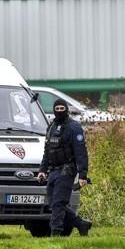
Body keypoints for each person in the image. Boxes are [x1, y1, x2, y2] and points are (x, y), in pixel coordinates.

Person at [37, 98, 92, 237]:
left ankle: (56, 234)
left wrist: (83, 175)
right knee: (53, 203)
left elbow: (81, 152)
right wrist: (42, 170)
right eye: (57, 109)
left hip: (67, 170)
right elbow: (47, 151)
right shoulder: (51, 127)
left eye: (62, 109)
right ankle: (81, 224)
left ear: (66, 109)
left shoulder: (74, 127)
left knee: (58, 203)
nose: (60, 112)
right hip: (53, 171)